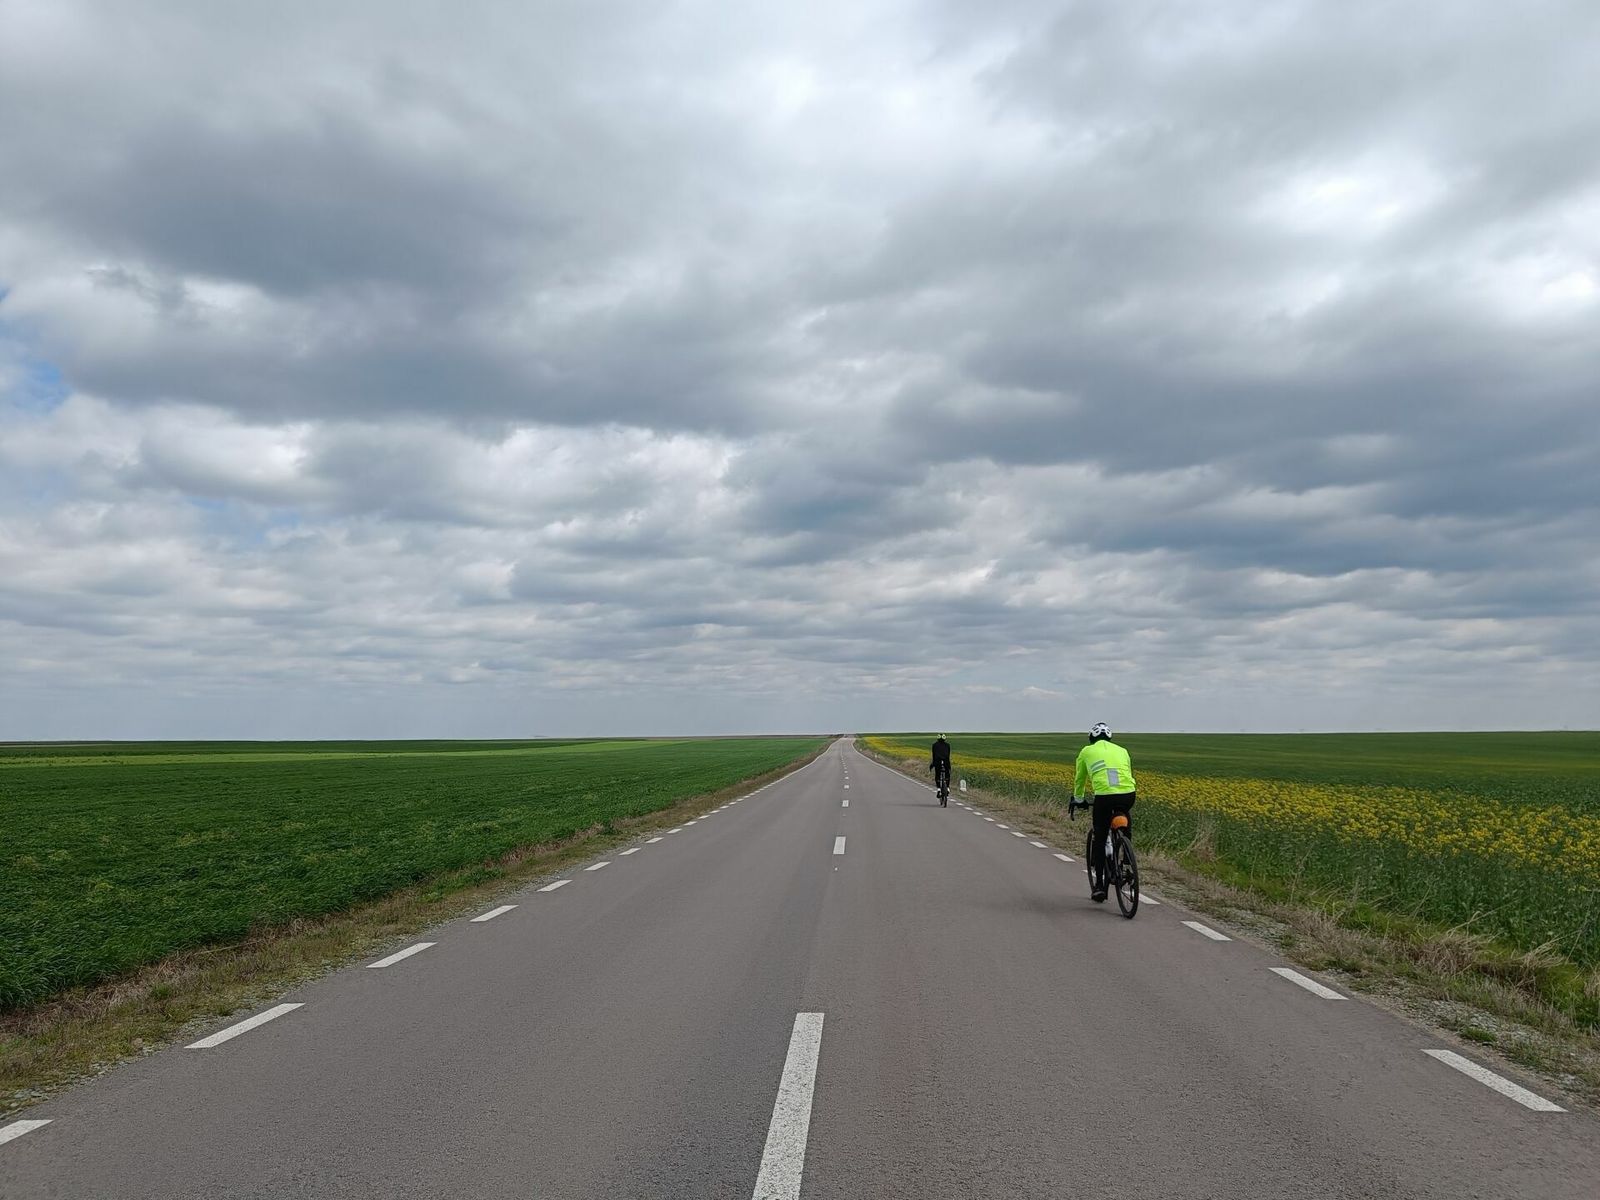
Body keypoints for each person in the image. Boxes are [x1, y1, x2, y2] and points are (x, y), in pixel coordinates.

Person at [1070, 722, 1136, 902]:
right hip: (1128, 794)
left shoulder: (1086, 751)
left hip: (1105, 797)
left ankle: (1099, 886)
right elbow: (1127, 773)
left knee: (1099, 838)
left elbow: (1080, 778)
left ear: (1091, 738)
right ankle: (1127, 857)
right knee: (1124, 817)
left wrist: (1078, 798)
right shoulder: (1122, 750)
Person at [929, 734, 952, 803]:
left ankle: (939, 789)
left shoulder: (934, 745)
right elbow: (948, 755)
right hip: (946, 762)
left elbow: (934, 755)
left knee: (938, 775)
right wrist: (949, 766)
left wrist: (932, 765)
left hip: (937, 762)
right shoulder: (947, 745)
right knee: (947, 774)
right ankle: (947, 788)